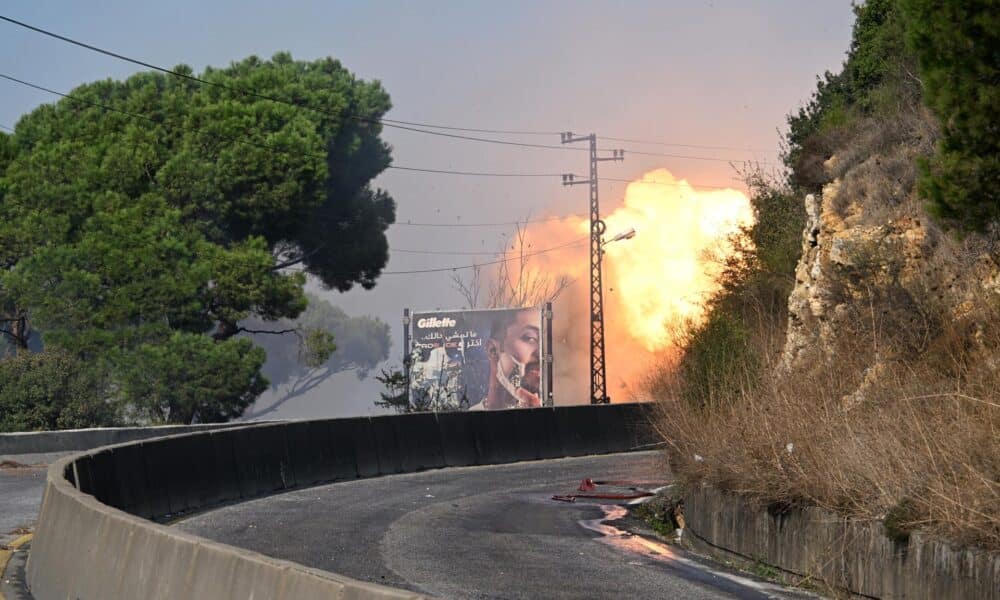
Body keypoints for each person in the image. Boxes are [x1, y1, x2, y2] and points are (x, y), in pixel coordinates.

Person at [468, 308, 541, 410]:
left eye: (545, 341)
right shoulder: (470, 421)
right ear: (492, 350)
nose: (541, 352)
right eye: (530, 338)